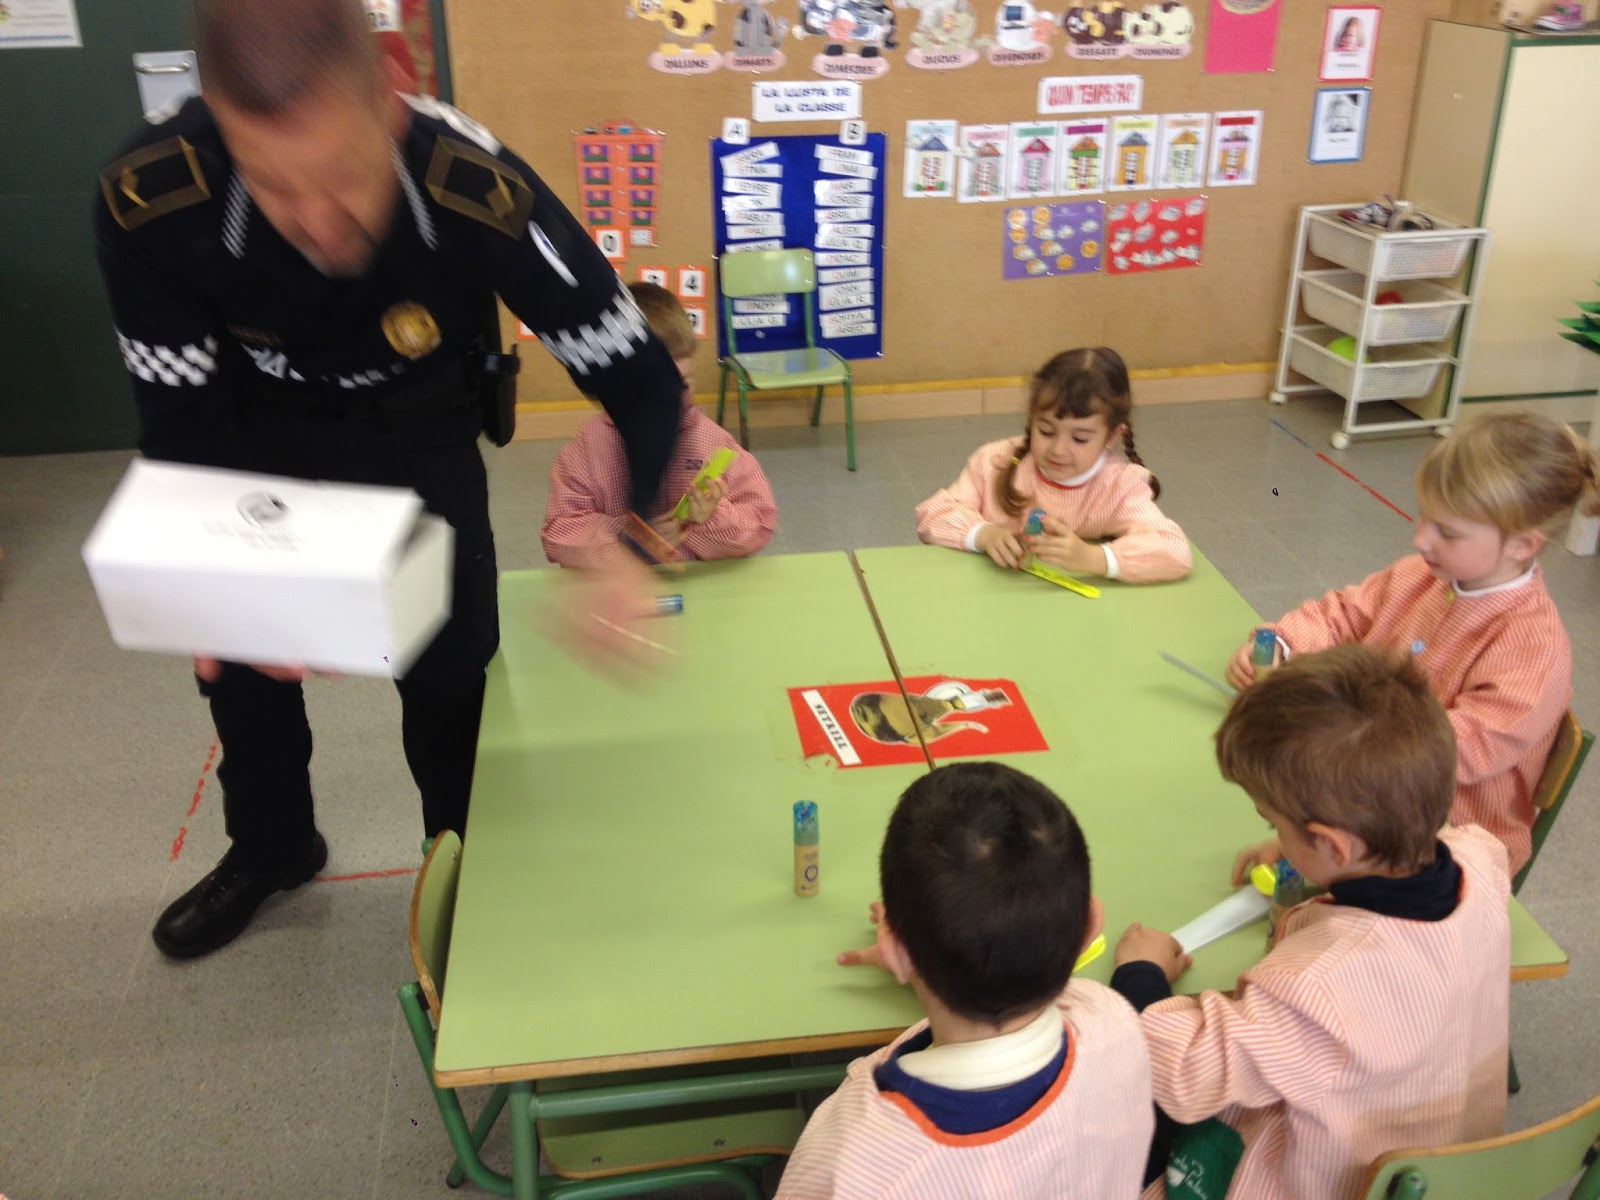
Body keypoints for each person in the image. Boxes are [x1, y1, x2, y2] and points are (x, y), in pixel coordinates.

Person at [93, 0, 684, 959]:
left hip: (417, 434)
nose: (317, 224)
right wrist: (210, 573)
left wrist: (628, 542)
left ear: (393, 90)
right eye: (274, 186)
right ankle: (272, 848)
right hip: (253, 437)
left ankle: (464, 862)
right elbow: (179, 419)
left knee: (450, 673)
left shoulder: (474, 184)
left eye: (341, 176)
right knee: (243, 672)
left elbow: (640, 378)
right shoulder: (151, 193)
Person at [1113, 645, 1512, 1200]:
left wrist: (1140, 977)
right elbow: (1460, 844)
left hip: (1331, 1181)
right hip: (1454, 1159)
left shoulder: (1314, 990)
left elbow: (1181, 1072)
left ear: (1333, 844)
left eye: (1273, 823)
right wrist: (1308, 851)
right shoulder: (1482, 862)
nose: (1273, 834)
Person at [1224, 414, 1597, 876]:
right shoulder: (1420, 576)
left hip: (1448, 845)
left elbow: (1443, 754)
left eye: (1448, 532)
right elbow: (1343, 613)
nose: (1420, 538)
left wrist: (1331, 756)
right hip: (1364, 794)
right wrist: (1283, 644)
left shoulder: (1532, 649)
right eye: (1424, 517)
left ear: (1523, 544)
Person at [775, 762, 1154, 1199]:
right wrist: (926, 952)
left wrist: (924, 953)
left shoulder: (851, 1166)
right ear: (1091, 926)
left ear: (894, 950)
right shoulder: (1115, 1022)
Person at [541, 282, 777, 567]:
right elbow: (559, 534)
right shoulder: (587, 450)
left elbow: (759, 526)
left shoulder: (714, 443)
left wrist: (711, 518)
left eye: (684, 381)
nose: (673, 397)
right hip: (617, 587)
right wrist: (629, 539)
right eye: (657, 386)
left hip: (700, 585)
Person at [914, 346, 1191, 583]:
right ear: (1031, 419)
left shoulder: (1119, 486)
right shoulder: (995, 461)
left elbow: (1175, 550)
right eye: (1046, 431)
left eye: (1080, 438)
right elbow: (932, 514)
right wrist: (983, 535)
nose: (1058, 450)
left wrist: (1093, 558)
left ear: (1112, 436)